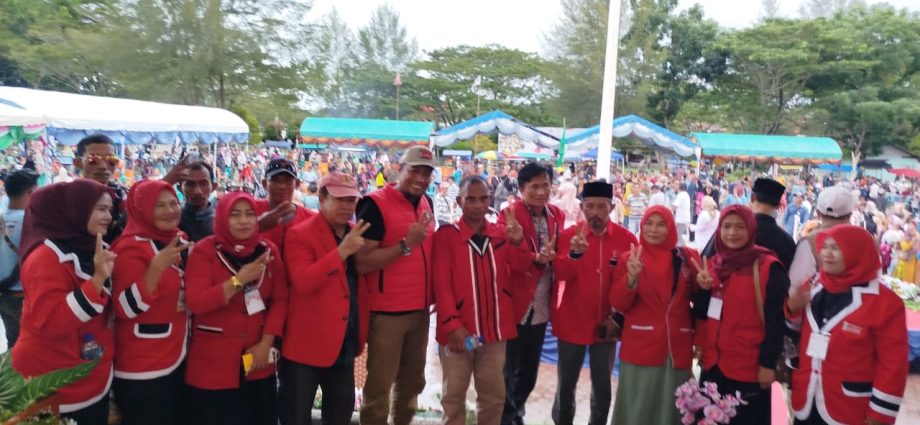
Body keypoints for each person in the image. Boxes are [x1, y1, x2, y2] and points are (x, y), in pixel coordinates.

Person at [13, 180, 117, 424]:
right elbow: (52, 322)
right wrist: (97, 280)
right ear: (75, 209)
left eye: (110, 210)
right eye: (101, 209)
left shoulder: (91, 246)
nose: (108, 217)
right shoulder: (44, 257)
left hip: (89, 373)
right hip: (52, 379)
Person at [786, 225, 908, 425]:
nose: (827, 254)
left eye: (836, 248)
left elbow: (893, 364)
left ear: (856, 252)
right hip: (807, 400)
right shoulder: (812, 285)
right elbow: (794, 331)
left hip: (850, 407)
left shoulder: (885, 302)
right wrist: (791, 309)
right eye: (824, 247)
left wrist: (880, 413)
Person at [184, 192, 288, 425]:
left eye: (250, 214)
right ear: (222, 217)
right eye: (235, 215)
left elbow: (280, 300)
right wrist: (238, 281)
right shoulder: (204, 251)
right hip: (213, 366)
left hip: (257, 359)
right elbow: (196, 302)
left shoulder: (268, 250)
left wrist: (266, 343)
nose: (244, 221)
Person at [432, 176, 530, 425]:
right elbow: (441, 284)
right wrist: (453, 325)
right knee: (453, 397)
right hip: (459, 333)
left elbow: (521, 267)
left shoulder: (502, 234)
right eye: (471, 199)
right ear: (459, 201)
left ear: (490, 200)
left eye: (483, 198)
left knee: (493, 398)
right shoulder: (447, 236)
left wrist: (518, 242)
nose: (477, 205)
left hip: (493, 333)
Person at [354, 146, 437, 425]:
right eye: (415, 171)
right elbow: (361, 262)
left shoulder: (426, 203)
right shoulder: (374, 205)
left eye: (427, 173)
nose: (421, 178)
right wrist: (405, 245)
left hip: (420, 312)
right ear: (399, 169)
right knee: (379, 388)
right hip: (386, 315)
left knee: (412, 385)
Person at [282, 173, 370, 425]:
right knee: (296, 417)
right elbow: (303, 281)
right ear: (321, 198)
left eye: (351, 200)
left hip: (344, 345)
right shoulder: (300, 234)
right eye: (339, 199)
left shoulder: (356, 233)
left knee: (340, 416)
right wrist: (342, 252)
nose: (346, 206)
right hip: (305, 346)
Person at [693, 205, 790, 425]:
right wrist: (703, 290)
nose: (732, 233)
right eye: (726, 226)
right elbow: (702, 313)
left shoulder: (768, 267)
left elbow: (776, 322)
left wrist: (767, 364)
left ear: (751, 229)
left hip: (749, 369)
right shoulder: (716, 264)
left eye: (739, 227)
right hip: (714, 367)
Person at [552, 181, 637, 425]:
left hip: (606, 326)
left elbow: (634, 283)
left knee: (602, 387)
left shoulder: (626, 239)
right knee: (566, 384)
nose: (595, 212)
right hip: (571, 322)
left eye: (602, 206)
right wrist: (575, 254)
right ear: (582, 207)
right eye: (590, 206)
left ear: (612, 207)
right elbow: (560, 274)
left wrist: (618, 318)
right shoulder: (569, 236)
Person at [609, 206, 702, 425]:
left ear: (671, 228)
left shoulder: (687, 258)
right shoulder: (630, 258)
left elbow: (701, 306)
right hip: (641, 349)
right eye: (649, 224)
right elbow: (618, 303)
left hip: (677, 349)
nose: (653, 229)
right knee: (638, 408)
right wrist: (631, 278)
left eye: (661, 224)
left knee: (672, 409)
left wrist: (705, 286)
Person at [111, 180, 191, 425]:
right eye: (159, 205)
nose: (170, 211)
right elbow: (125, 309)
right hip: (143, 368)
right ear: (142, 209)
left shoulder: (179, 239)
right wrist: (156, 267)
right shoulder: (128, 249)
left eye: (173, 203)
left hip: (177, 357)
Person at [498, 163, 562, 425]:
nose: (541, 191)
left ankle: (516, 412)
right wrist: (534, 257)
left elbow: (560, 254)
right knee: (509, 368)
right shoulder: (509, 215)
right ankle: (507, 417)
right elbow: (510, 260)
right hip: (516, 303)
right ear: (522, 188)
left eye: (545, 185)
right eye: (534, 186)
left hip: (542, 305)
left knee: (529, 372)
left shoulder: (556, 215)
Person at [788, 185, 856, 292]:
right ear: (850, 215)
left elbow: (796, 286)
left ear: (818, 213)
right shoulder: (867, 240)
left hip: (823, 301)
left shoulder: (810, 242)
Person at [0, 169, 39, 348]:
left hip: (3, 295)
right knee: (32, 346)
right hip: (23, 296)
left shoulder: (2, 217)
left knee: (13, 343)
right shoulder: (30, 221)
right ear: (30, 193)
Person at [253, 158, 315, 253]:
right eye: (275, 180)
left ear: (297, 184)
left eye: (288, 180)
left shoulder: (311, 219)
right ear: (264, 184)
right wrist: (257, 227)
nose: (282, 186)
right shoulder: (249, 211)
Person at [179, 161, 217, 242]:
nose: (197, 191)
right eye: (190, 184)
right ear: (180, 188)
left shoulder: (223, 221)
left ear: (213, 187)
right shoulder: (172, 220)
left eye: (203, 184)